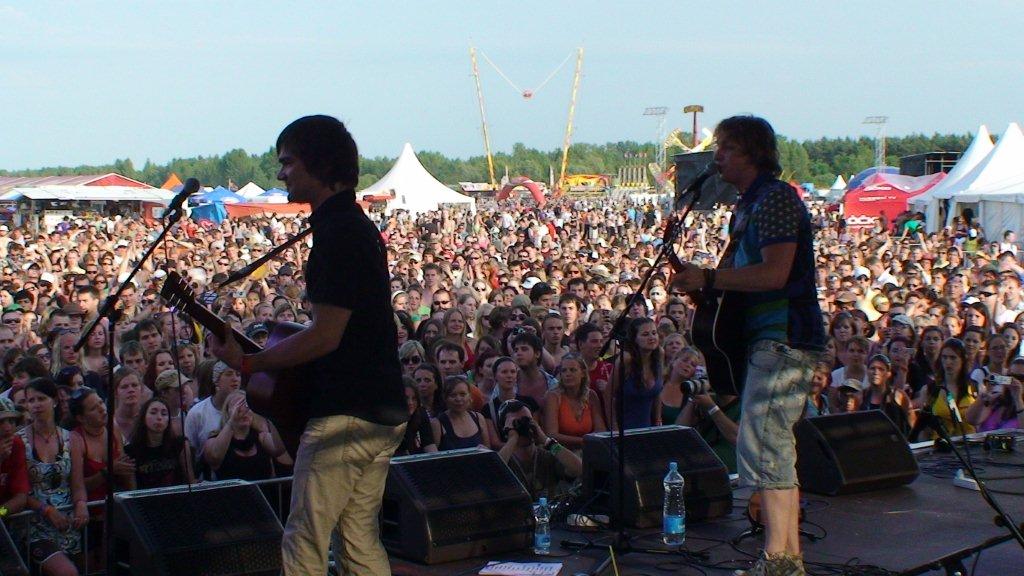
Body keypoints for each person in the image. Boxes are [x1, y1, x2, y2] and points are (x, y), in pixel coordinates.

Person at [209, 115, 407, 575]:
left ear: (319, 164)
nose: (281, 175)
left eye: (288, 162)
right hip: (380, 410)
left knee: (305, 542)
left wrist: (250, 361)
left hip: (345, 418)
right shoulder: (351, 227)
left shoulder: (338, 235)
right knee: (358, 540)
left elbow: (325, 335)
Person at [670, 115, 825, 575]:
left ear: (754, 153)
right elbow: (746, 283)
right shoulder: (746, 207)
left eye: (726, 149)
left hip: (784, 336)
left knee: (766, 442)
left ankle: (779, 560)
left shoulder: (776, 200)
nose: (717, 156)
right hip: (766, 337)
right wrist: (705, 290)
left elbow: (775, 274)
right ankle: (786, 558)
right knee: (769, 443)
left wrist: (713, 276)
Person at [495, 399, 582, 501]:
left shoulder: (549, 455)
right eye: (516, 423)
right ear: (505, 430)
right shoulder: (503, 459)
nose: (524, 427)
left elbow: (578, 469)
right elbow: (492, 475)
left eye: (527, 420)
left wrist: (547, 441)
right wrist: (512, 439)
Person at [124, 398, 194, 489]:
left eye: (164, 414)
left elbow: (190, 481)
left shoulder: (180, 445)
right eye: (153, 413)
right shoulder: (130, 452)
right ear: (143, 417)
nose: (159, 417)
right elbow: (132, 491)